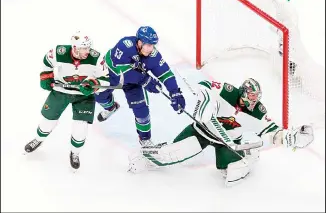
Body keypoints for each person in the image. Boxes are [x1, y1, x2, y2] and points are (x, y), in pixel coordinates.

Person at [128, 78, 314, 186]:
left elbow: (272, 131)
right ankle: (145, 157)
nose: (253, 100)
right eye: (251, 95)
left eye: (256, 97)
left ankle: (250, 157)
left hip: (226, 142)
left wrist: (289, 137)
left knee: (231, 170)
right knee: (173, 153)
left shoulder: (259, 111)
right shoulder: (228, 91)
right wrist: (206, 100)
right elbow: (204, 84)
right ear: (242, 92)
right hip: (202, 131)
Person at [24, 31, 110, 171]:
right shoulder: (59, 52)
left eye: (88, 47)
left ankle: (75, 153)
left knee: (80, 128)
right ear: (75, 48)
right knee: (47, 121)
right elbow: (47, 61)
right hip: (61, 90)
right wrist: (46, 76)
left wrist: (93, 84)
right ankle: (38, 140)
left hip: (84, 95)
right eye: (83, 48)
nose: (87, 51)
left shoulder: (97, 58)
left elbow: (106, 79)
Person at [95, 26, 186, 146]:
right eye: (148, 45)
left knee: (141, 110)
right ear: (139, 42)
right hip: (111, 74)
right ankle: (111, 107)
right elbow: (121, 72)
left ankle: (145, 140)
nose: (151, 49)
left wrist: (175, 92)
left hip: (134, 82)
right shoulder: (125, 45)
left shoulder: (153, 55)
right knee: (99, 95)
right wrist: (146, 80)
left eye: (153, 45)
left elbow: (165, 73)